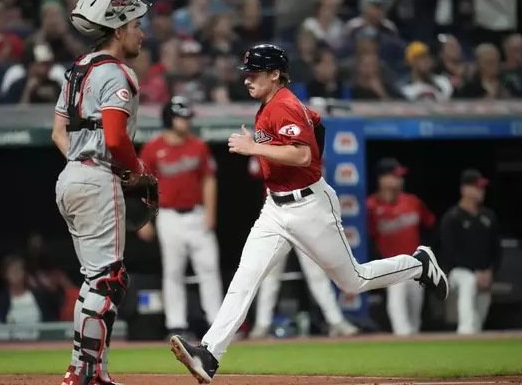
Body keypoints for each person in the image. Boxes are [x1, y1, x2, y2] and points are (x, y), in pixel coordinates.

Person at [168, 43, 450, 384]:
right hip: (276, 207)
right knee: (246, 276)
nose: (247, 80)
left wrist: (255, 147)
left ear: (275, 75)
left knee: (353, 280)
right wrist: (269, 148)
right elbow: (317, 126)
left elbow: (302, 156)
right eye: (247, 73)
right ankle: (210, 354)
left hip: (309, 205)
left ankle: (419, 264)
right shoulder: (272, 104)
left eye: (254, 73)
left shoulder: (284, 104)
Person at [50, 0, 155, 384]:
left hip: (72, 176)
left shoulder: (78, 69)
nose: (141, 33)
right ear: (119, 27)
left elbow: (58, 132)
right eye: (137, 25)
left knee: (95, 281)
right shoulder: (116, 72)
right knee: (108, 280)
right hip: (96, 177)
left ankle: (87, 369)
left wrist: (80, 161)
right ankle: (87, 375)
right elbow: (114, 137)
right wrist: (136, 168)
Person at [138, 96, 224, 340]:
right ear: (169, 118)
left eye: (187, 116)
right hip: (168, 216)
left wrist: (210, 212)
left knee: (209, 269)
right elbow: (144, 185)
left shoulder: (198, 145)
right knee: (173, 272)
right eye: (180, 116)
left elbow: (209, 179)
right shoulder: (153, 147)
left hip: (197, 214)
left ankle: (216, 323)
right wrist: (144, 219)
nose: (185, 121)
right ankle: (176, 326)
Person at [246, 156, 359, 339]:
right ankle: (262, 324)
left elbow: (317, 176)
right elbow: (254, 169)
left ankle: (336, 320)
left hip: (305, 214)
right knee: (270, 275)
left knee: (316, 273)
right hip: (276, 214)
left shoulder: (305, 145)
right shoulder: (267, 144)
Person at [367, 158, 436, 336]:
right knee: (398, 311)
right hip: (391, 267)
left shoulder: (413, 202)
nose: (399, 180)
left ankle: (413, 352)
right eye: (394, 176)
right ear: (382, 179)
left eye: (400, 176)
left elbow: (431, 227)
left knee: (415, 320)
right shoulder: (371, 206)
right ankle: (402, 339)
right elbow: (368, 239)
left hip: (415, 266)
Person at [440, 169, 502, 335]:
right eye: (477, 187)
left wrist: (489, 271)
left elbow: (496, 250)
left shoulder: (488, 216)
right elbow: (450, 254)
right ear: (465, 189)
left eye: (482, 187)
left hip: (484, 274)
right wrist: (476, 272)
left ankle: (472, 336)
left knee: (479, 319)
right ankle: (464, 332)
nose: (481, 191)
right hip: (457, 274)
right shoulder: (452, 217)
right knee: (468, 282)